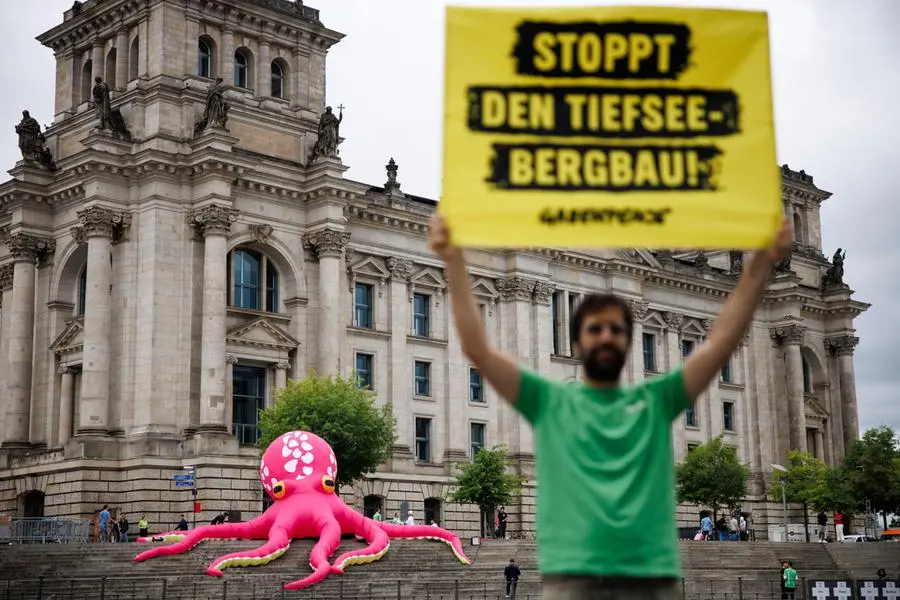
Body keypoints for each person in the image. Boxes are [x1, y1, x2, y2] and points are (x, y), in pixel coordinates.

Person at [428, 213, 792, 599]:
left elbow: (722, 342)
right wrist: (454, 260)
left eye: (615, 329)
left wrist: (758, 268)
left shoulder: (653, 401)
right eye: (593, 329)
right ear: (577, 340)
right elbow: (478, 349)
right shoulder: (552, 401)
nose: (605, 338)